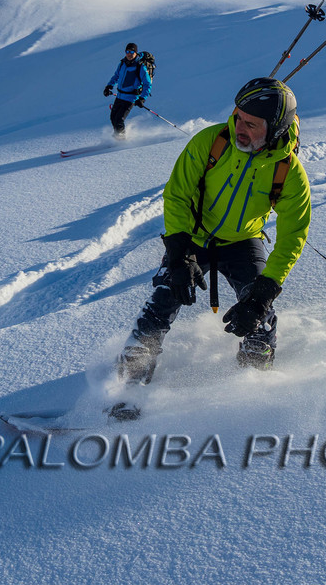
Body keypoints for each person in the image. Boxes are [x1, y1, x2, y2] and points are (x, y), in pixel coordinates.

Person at [115, 77, 311, 389]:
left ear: (274, 128)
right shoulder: (211, 141)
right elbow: (177, 194)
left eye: (251, 124)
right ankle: (132, 373)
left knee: (258, 314)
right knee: (165, 295)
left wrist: (262, 295)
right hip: (193, 236)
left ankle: (254, 376)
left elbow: (292, 238)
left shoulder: (289, 173)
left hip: (243, 241)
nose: (239, 127)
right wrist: (179, 255)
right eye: (238, 117)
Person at [103, 42, 152, 136]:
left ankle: (120, 141)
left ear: (136, 53)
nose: (129, 54)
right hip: (120, 96)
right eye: (127, 51)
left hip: (130, 98)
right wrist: (109, 86)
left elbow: (147, 84)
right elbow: (116, 76)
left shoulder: (140, 66)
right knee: (113, 117)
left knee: (119, 119)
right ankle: (117, 136)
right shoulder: (122, 63)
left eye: (132, 51)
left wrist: (142, 98)